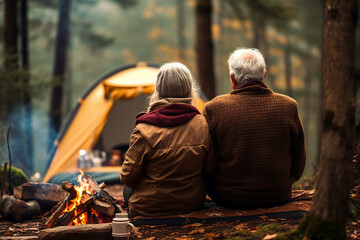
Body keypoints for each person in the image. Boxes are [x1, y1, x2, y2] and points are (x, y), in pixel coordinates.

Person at [203, 47, 306, 209]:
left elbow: (208, 163)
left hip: (229, 198)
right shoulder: (289, 105)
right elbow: (299, 159)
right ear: (264, 74)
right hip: (278, 195)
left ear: (232, 78)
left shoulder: (214, 108)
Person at [120, 62, 214, 217]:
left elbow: (128, 177)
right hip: (191, 204)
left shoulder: (144, 128)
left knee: (127, 188)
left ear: (159, 90)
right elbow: (209, 168)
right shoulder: (202, 123)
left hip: (149, 208)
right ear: (189, 88)